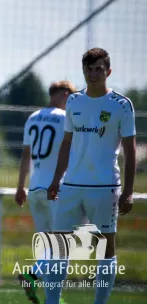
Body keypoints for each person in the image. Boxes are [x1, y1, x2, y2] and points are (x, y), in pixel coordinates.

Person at [46, 48, 136, 304]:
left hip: (105, 187)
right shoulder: (74, 101)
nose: (94, 74)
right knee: (59, 246)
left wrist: (128, 191)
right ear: (83, 71)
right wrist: (56, 180)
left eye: (99, 69)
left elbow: (129, 151)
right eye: (89, 69)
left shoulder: (121, 105)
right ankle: (51, 301)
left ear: (108, 71)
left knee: (106, 249)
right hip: (72, 186)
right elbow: (66, 143)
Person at [14, 81, 75, 304]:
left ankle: (52, 299)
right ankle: (33, 275)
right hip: (56, 189)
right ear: (66, 95)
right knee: (63, 248)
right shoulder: (64, 118)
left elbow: (25, 156)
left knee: (50, 248)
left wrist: (21, 186)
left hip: (35, 187)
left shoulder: (33, 118)